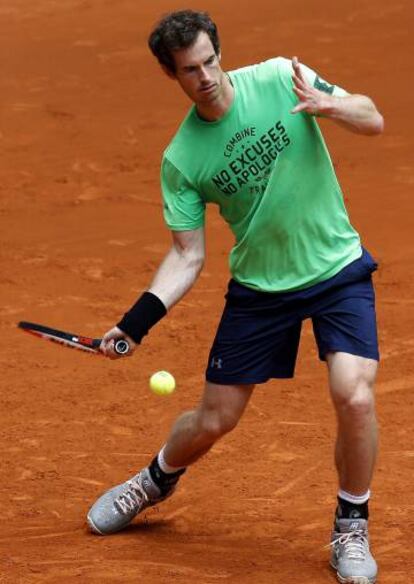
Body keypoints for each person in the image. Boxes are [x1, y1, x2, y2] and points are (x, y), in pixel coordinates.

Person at [87, 10, 384, 584]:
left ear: (220, 52)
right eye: (189, 70)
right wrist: (135, 323)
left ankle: (351, 523)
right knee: (215, 418)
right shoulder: (182, 159)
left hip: (336, 268)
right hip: (261, 289)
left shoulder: (279, 77)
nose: (205, 77)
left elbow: (372, 119)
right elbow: (186, 256)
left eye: (209, 61)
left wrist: (330, 106)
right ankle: (154, 478)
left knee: (355, 395)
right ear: (171, 75)